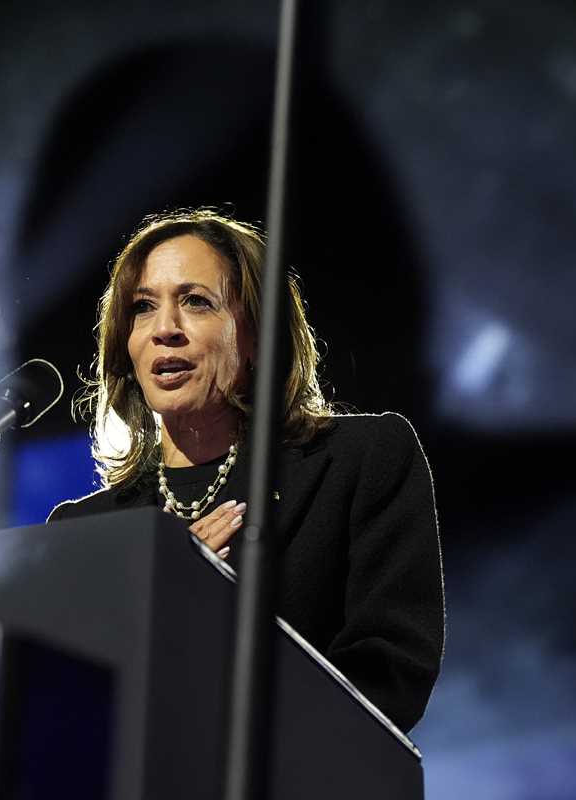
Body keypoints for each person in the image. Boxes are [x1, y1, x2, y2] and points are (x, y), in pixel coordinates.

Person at [47, 209, 443, 733]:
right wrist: (161, 604)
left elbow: (389, 678)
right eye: (143, 307)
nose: (165, 329)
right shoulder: (83, 531)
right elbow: (65, 713)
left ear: (257, 335)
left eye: (196, 301)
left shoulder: (359, 461)